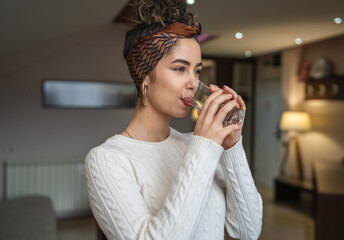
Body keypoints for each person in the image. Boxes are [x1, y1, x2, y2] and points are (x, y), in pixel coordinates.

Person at [85, 0, 263, 239]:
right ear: (145, 76)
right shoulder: (107, 160)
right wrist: (204, 146)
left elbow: (248, 230)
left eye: (197, 71)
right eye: (180, 69)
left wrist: (231, 146)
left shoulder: (199, 144)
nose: (193, 82)